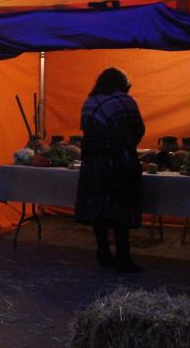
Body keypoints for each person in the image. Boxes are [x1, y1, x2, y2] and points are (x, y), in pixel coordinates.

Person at [75, 68, 145, 273]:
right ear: (122, 84)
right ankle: (123, 257)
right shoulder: (125, 101)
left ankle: (103, 253)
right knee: (120, 209)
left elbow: (86, 130)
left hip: (92, 162)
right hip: (118, 161)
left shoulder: (90, 102)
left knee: (98, 209)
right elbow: (137, 129)